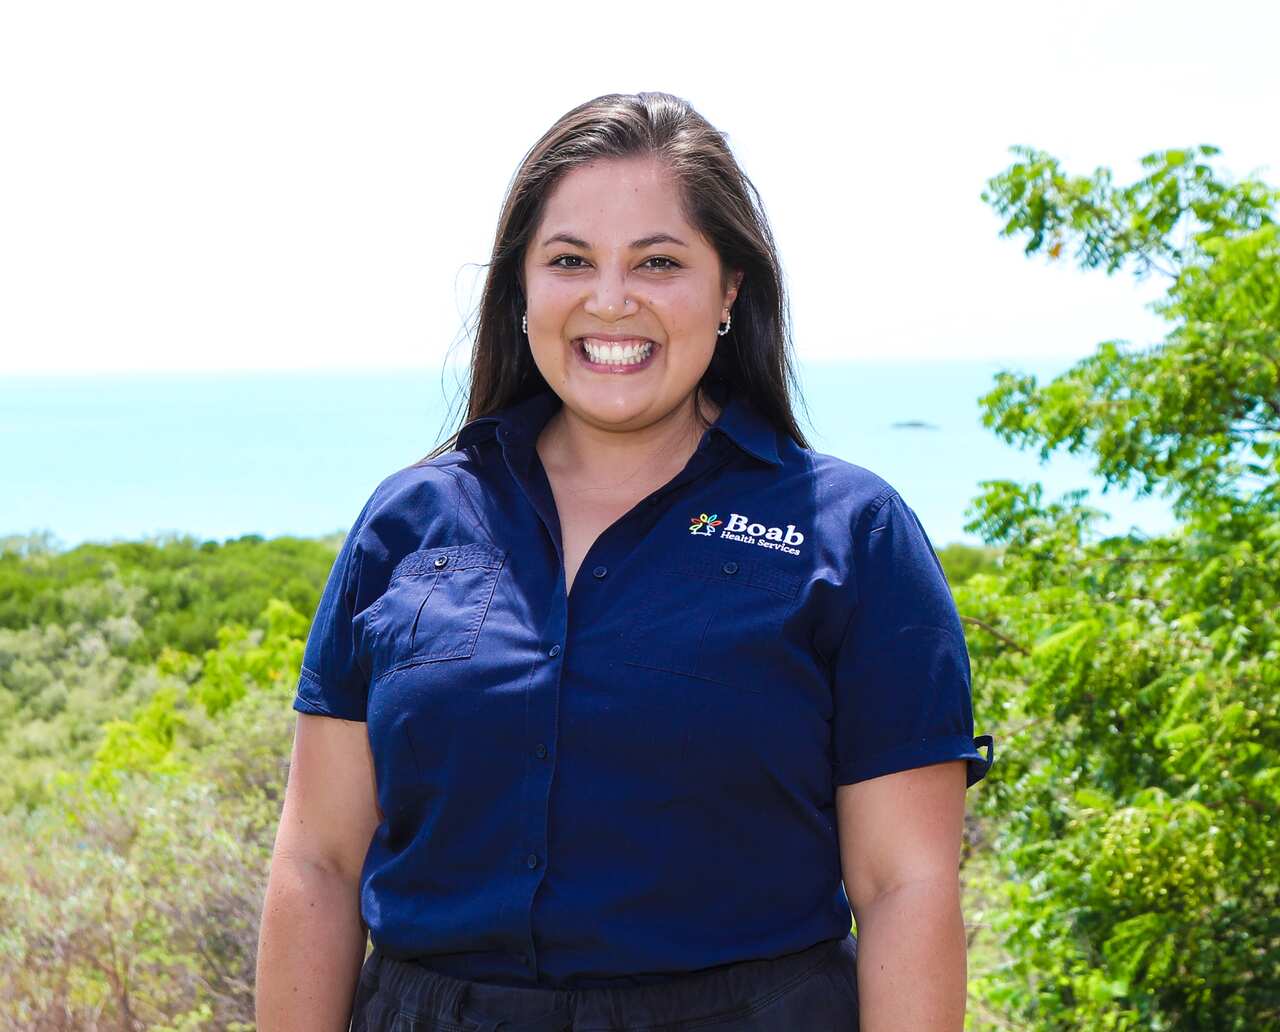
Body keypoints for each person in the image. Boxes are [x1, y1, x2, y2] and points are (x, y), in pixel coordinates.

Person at [255, 91, 995, 1032]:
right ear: (521, 288)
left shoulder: (852, 534)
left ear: (730, 289)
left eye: (659, 262)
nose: (611, 300)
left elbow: (906, 886)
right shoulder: (409, 520)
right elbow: (317, 861)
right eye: (570, 261)